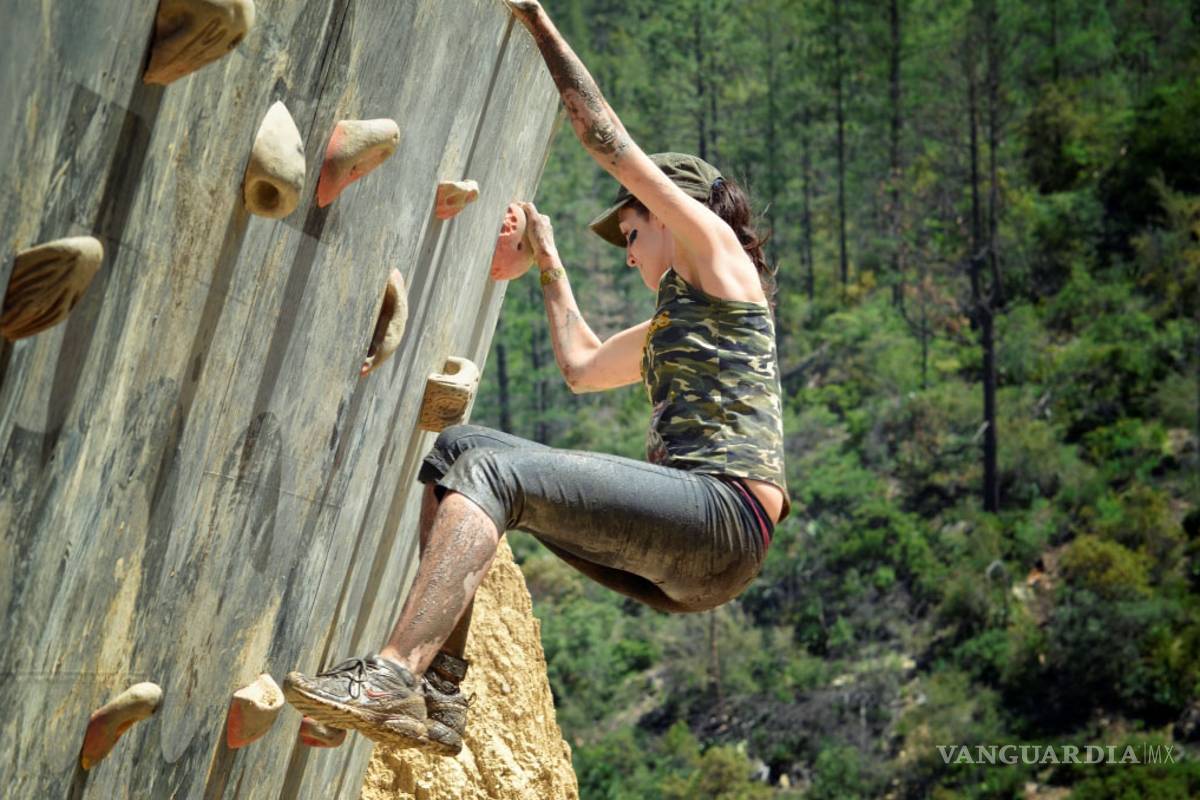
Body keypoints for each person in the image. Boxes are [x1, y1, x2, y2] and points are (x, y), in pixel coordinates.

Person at [282, 0, 791, 756]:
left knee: (496, 473)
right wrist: (549, 266)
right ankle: (436, 697)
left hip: (721, 516)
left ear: (671, 212)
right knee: (459, 450)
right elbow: (583, 368)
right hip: (701, 553)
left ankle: (390, 677)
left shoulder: (717, 253)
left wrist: (539, 23)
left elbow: (608, 142)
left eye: (632, 231)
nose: (628, 252)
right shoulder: (677, 327)